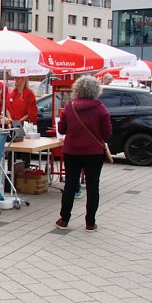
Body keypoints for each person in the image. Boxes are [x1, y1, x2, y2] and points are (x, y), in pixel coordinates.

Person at [55, 76, 112, 232]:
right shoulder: (101, 108)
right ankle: (90, 222)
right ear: (96, 91)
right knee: (93, 186)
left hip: (72, 152)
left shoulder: (69, 107)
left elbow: (61, 129)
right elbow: (107, 133)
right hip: (94, 153)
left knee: (70, 185)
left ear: (77, 89)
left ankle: (64, 219)